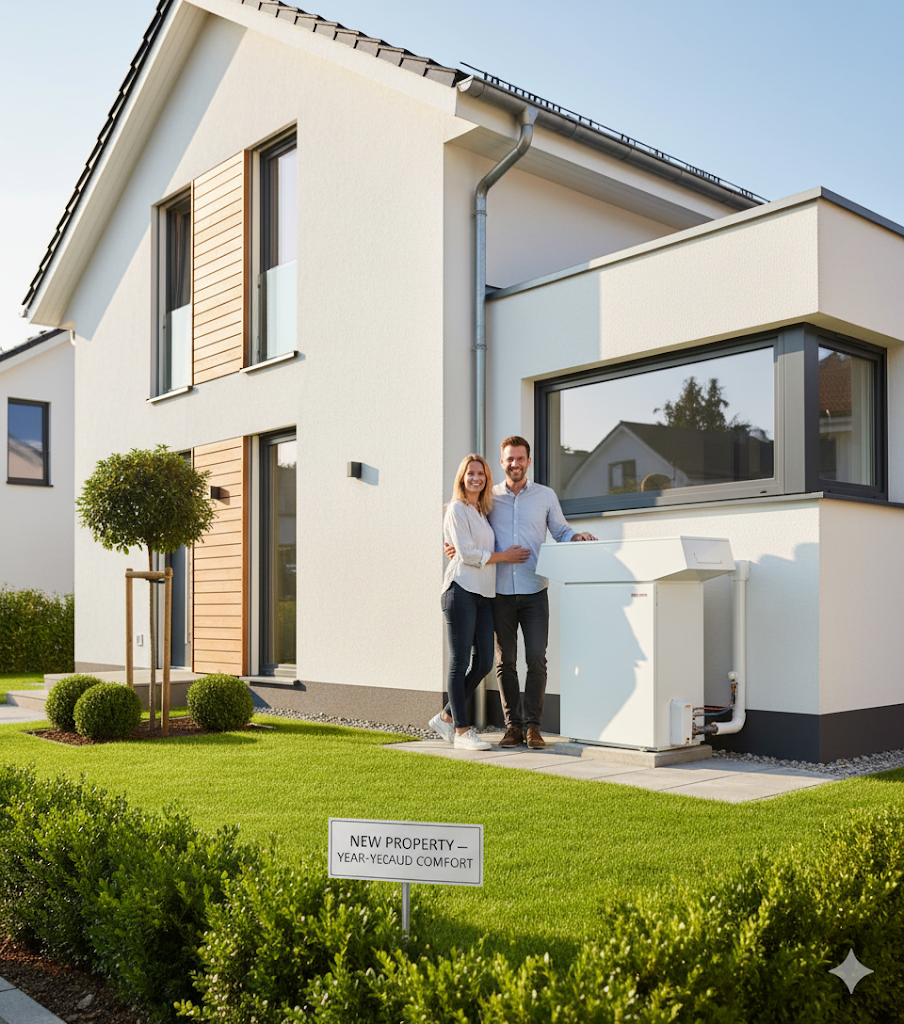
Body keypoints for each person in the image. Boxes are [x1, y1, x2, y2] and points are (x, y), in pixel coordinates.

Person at [446, 436, 596, 749]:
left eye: (520, 458)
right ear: (501, 463)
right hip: (497, 592)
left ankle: (533, 728)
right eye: (509, 459)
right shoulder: (489, 497)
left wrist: (576, 536)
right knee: (505, 663)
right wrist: (452, 547)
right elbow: (465, 524)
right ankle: (512, 727)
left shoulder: (545, 496)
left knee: (536, 660)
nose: (515, 464)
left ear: (528, 461)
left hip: (534, 589)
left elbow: (561, 530)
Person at [430, 453, 529, 750]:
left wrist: (466, 551)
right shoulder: (457, 509)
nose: (476, 478)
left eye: (481, 474)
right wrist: (504, 557)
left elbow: (468, 548)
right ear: (462, 477)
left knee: (485, 660)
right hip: (460, 590)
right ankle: (461, 731)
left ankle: (446, 715)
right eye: (470, 473)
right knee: (460, 661)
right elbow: (469, 554)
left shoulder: (481, 512)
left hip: (484, 595)